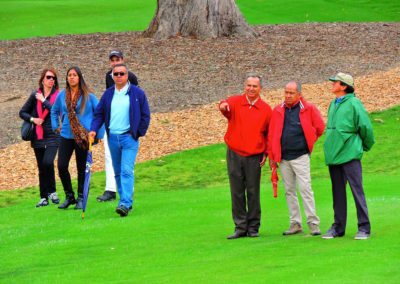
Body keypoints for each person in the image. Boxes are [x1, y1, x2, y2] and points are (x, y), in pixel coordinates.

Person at [89, 63, 150, 217]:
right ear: (112, 76)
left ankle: (125, 203)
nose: (118, 76)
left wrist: (137, 133)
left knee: (126, 170)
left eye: (121, 74)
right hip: (113, 138)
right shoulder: (108, 94)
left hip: (129, 137)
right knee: (117, 172)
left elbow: (145, 115)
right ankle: (125, 200)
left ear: (127, 75)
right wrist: (94, 129)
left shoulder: (137, 93)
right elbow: (99, 114)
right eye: (115, 74)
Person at [268, 81, 325, 236]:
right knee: (289, 190)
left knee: (305, 189)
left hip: (300, 156)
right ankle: (295, 223)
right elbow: (272, 134)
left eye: (291, 93)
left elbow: (320, 127)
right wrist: (272, 156)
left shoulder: (308, 109)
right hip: (283, 158)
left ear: (299, 94)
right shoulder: (278, 110)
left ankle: (313, 223)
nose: (287, 95)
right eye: (286, 92)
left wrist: (309, 141)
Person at [322, 72, 375, 240]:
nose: (332, 84)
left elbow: (365, 127)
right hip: (334, 156)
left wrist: (363, 146)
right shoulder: (333, 104)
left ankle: (364, 228)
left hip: (350, 154)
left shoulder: (354, 103)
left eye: (335, 82)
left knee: (356, 191)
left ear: (344, 86)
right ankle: (337, 227)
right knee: (337, 193)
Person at [219, 74, 272, 239]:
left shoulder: (265, 109)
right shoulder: (235, 102)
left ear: (260, 89)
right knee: (236, 191)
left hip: (254, 155)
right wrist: (223, 105)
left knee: (253, 191)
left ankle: (253, 227)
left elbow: (268, 134)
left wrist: (266, 152)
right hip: (235, 152)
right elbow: (224, 106)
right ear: (245, 86)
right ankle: (240, 226)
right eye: (248, 85)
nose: (251, 89)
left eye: (254, 86)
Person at [51, 66, 104, 210]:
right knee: (61, 166)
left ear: (79, 77)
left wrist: (98, 134)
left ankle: (81, 198)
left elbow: (100, 114)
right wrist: (56, 126)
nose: (72, 77)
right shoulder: (62, 95)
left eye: (74, 75)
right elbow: (54, 110)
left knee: (82, 168)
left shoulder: (88, 96)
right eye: (69, 75)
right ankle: (69, 196)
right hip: (66, 135)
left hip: (83, 137)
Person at [97, 50, 140, 202]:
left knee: (126, 165)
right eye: (112, 60)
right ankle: (111, 189)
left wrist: (137, 129)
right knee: (110, 159)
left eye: (117, 59)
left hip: (128, 129)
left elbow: (136, 102)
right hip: (112, 128)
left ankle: (128, 192)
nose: (115, 62)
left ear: (122, 60)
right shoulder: (109, 76)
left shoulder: (131, 77)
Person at [19, 68, 60, 207]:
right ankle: (44, 197)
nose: (51, 80)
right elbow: (22, 112)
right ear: (42, 79)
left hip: (53, 135)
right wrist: (33, 119)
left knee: (48, 162)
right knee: (42, 167)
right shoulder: (34, 95)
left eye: (53, 78)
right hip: (38, 135)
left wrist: (43, 100)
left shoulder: (58, 96)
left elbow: (57, 111)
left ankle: (52, 192)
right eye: (48, 77)